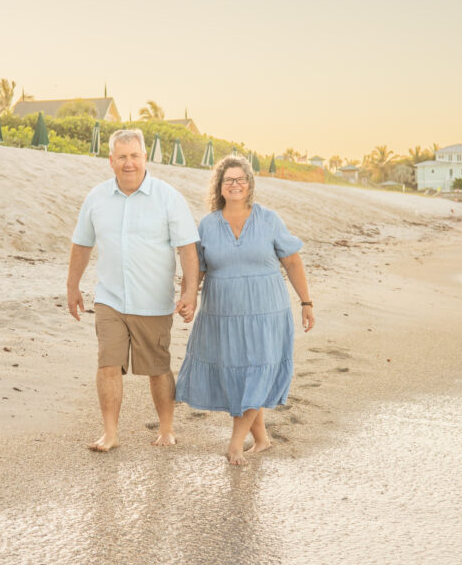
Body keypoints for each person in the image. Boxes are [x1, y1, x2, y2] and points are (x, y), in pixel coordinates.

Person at [175, 156, 314, 465]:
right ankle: (262, 439)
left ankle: (236, 443)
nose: (235, 185)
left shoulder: (269, 219)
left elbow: (291, 261)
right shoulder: (208, 225)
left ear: (250, 185)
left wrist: (306, 302)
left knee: (258, 371)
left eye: (241, 180)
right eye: (229, 180)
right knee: (240, 375)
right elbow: (194, 268)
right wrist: (188, 298)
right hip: (222, 315)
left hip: (267, 312)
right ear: (220, 187)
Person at [67, 128, 200, 452]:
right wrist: (72, 286)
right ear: (111, 160)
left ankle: (167, 429)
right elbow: (82, 244)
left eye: (135, 156)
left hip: (153, 301)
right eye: (122, 157)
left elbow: (187, 249)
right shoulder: (96, 198)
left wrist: (189, 293)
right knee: (108, 365)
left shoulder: (167, 197)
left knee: (157, 368)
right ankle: (109, 433)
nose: (129, 163)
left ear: (145, 158)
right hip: (110, 299)